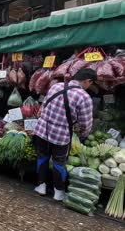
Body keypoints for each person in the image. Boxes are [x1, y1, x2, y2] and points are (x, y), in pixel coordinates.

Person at [34, 68, 95, 201]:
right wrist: (83, 135)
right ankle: (59, 192)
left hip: (41, 130)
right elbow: (86, 123)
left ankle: (41, 186)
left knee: (42, 157)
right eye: (91, 83)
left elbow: (43, 106)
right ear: (87, 81)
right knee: (59, 163)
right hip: (61, 136)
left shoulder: (56, 86)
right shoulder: (84, 97)